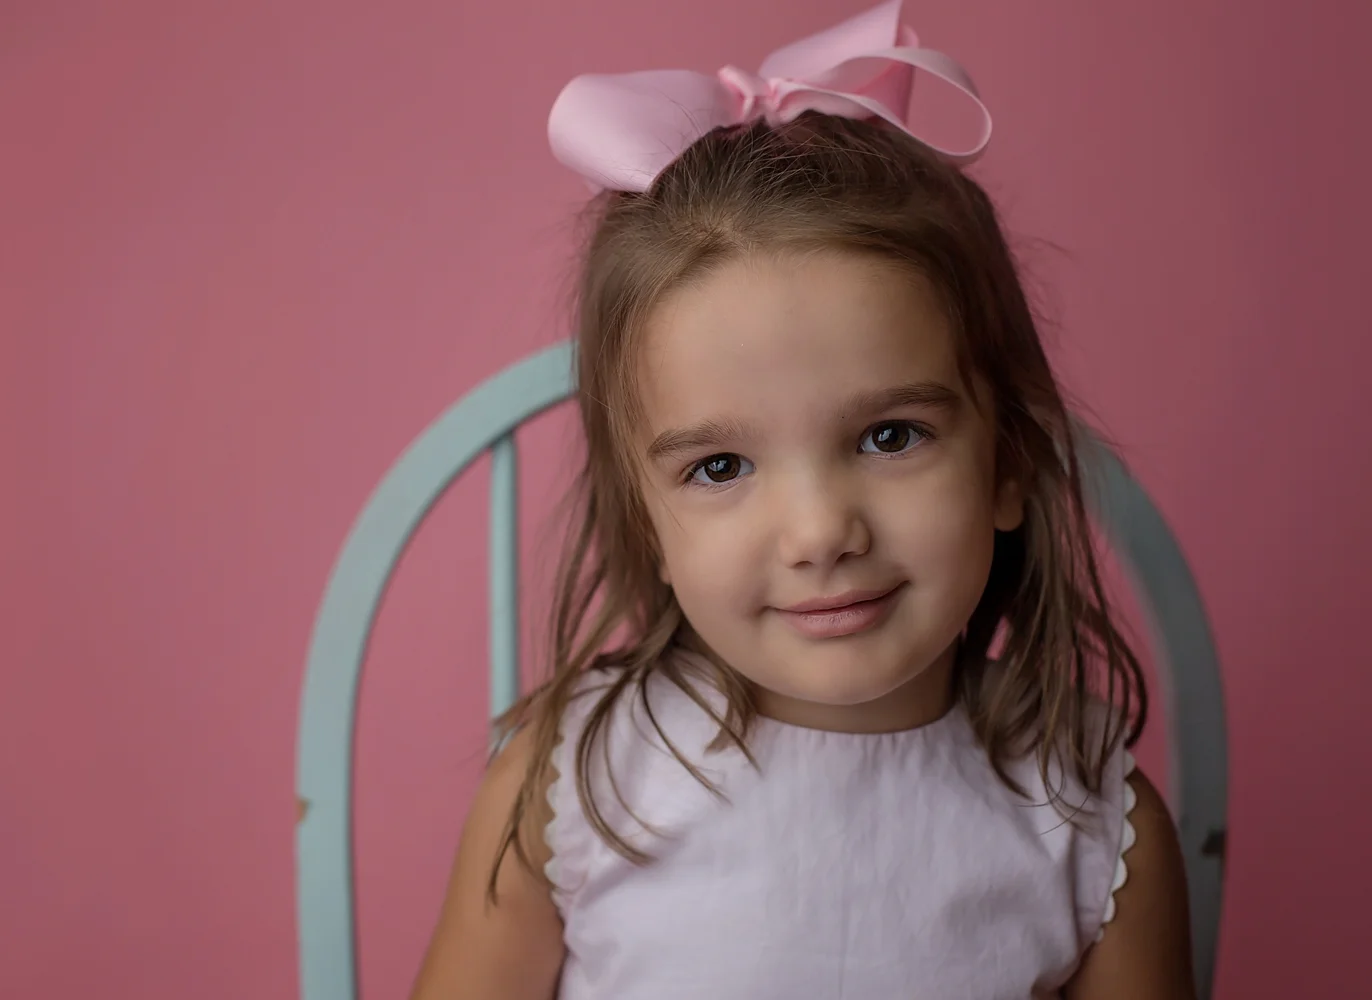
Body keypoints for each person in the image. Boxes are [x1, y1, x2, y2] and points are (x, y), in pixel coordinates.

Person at [411, 3, 1194, 997]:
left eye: (890, 435)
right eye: (721, 467)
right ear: (648, 519)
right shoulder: (572, 783)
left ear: (1004, 463)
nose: (822, 531)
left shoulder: (1087, 811)